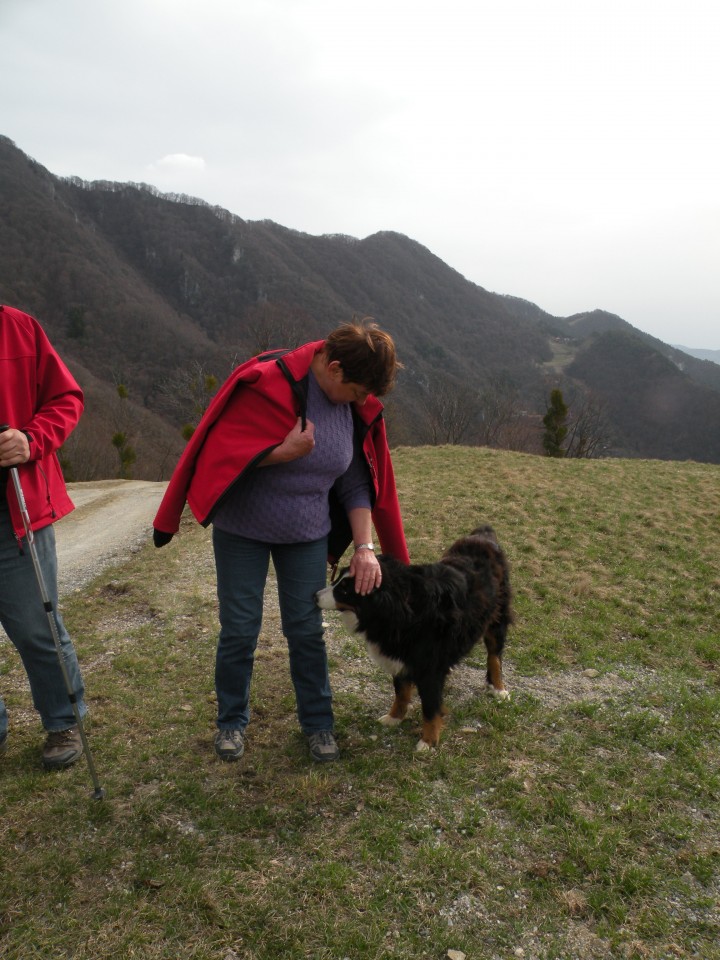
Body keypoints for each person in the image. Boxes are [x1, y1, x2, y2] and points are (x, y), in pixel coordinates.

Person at [153, 318, 409, 763]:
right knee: (239, 631)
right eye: (358, 391)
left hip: (307, 535)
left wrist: (366, 548)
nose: (361, 401)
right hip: (243, 531)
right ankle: (232, 722)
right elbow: (221, 449)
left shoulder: (347, 408)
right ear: (332, 368)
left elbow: (355, 484)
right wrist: (281, 453)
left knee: (306, 631)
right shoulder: (268, 381)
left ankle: (318, 724)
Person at [0, 304, 88, 769]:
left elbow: (67, 399)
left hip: (13, 507)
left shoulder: (19, 329)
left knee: (37, 627)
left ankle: (62, 722)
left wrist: (30, 440)